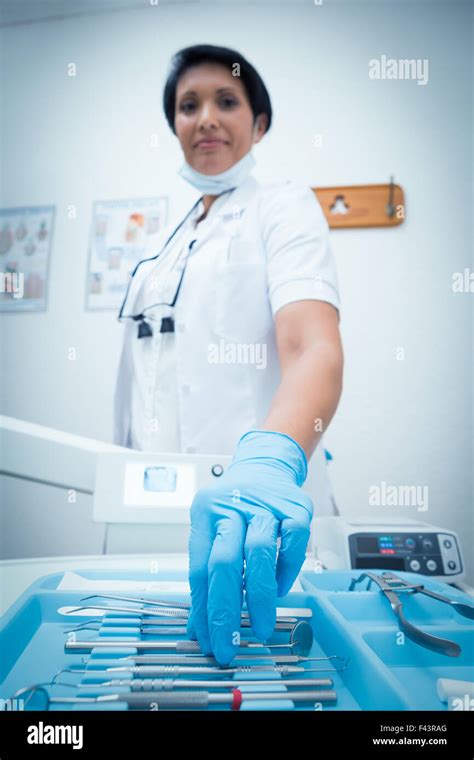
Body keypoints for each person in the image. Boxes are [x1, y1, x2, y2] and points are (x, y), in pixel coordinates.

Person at [114, 44, 344, 666]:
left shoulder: (284, 206)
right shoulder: (166, 241)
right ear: (175, 126)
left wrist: (271, 461)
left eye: (227, 101)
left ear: (259, 123)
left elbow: (313, 347)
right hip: (159, 514)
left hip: (258, 509)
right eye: (189, 106)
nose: (206, 118)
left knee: (269, 674)